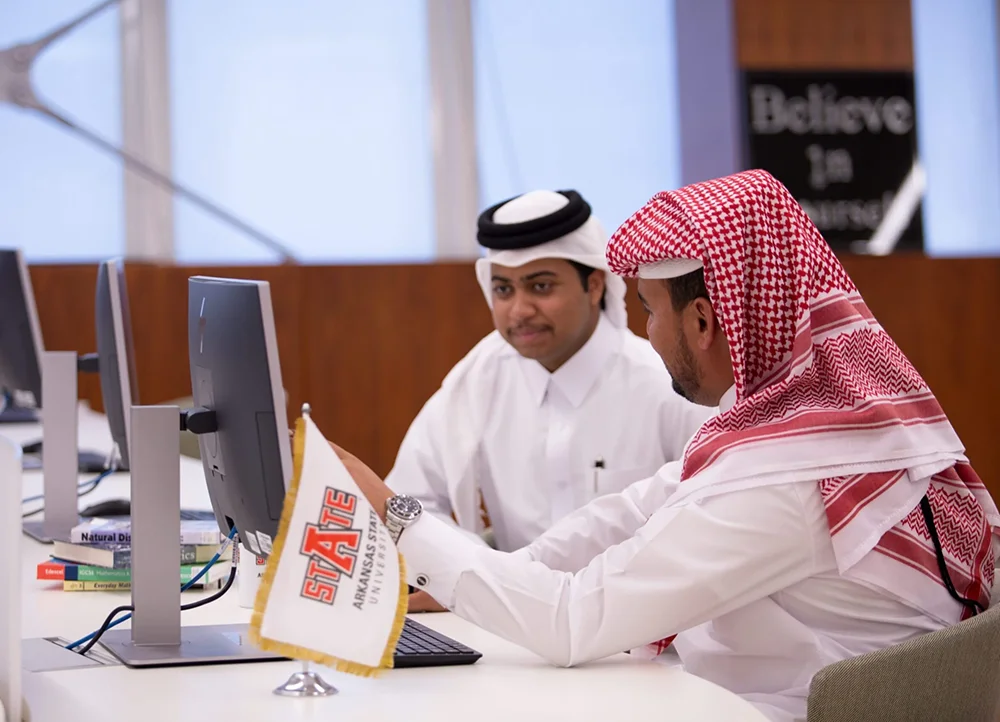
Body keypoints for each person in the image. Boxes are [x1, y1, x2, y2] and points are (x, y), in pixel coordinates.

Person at [333, 170, 1000, 722]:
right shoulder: (803, 422)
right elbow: (630, 511)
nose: (644, 331)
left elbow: (573, 622)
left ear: (706, 320)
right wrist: (478, 574)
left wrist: (397, 517)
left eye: (649, 309)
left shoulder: (791, 476)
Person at [386, 188, 713, 612]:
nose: (519, 310)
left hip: (647, 638)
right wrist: (476, 570)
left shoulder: (666, 383)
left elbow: (704, 523)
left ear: (594, 285)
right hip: (509, 629)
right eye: (503, 290)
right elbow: (408, 500)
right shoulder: (478, 380)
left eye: (540, 286)